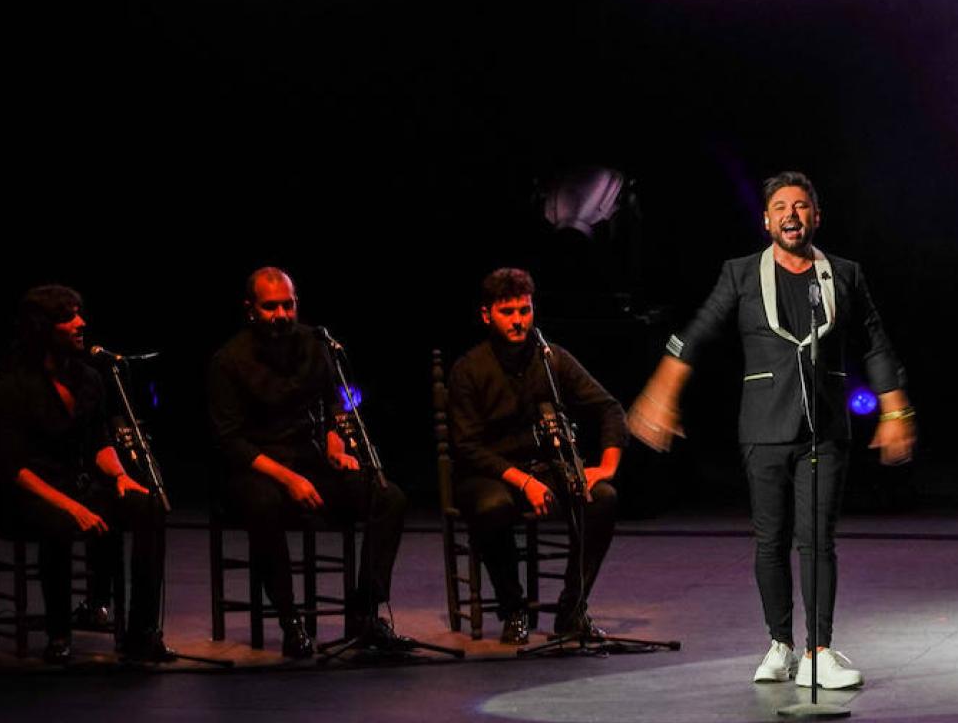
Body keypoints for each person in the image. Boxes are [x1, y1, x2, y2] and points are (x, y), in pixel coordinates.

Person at [628, 172, 915, 689]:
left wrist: (895, 410)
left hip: (825, 428)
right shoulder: (740, 274)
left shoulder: (843, 274)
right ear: (766, 220)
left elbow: (875, 343)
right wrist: (663, 389)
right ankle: (780, 643)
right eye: (781, 206)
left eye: (801, 206)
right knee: (771, 540)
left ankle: (819, 650)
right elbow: (698, 330)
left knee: (817, 540)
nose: (791, 215)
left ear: (816, 216)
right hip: (762, 425)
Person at [207, 267, 412, 658]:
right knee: (263, 504)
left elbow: (336, 403)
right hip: (256, 469)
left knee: (388, 497)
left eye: (288, 305)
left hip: (308, 460)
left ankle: (365, 612)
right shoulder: (228, 360)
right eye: (271, 307)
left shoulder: (315, 343)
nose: (281, 315)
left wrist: (337, 446)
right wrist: (289, 480)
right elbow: (229, 441)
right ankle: (290, 621)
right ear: (251, 310)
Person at [0, 285, 171, 664]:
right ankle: (58, 633)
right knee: (58, 523)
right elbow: (13, 467)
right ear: (42, 329)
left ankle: (142, 632)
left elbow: (99, 441)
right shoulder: (12, 386)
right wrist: (72, 508)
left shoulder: (89, 378)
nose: (81, 322)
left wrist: (120, 476)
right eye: (68, 317)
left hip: (76, 485)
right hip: (29, 495)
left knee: (148, 507)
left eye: (79, 314)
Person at [446, 267, 626, 645]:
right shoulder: (469, 369)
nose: (518, 321)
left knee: (602, 498)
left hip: (543, 467)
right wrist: (523, 481)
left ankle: (572, 610)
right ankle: (514, 610)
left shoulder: (550, 357)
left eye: (524, 311)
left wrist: (606, 467)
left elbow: (609, 407)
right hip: (488, 473)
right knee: (493, 507)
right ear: (487, 315)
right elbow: (467, 447)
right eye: (508, 312)